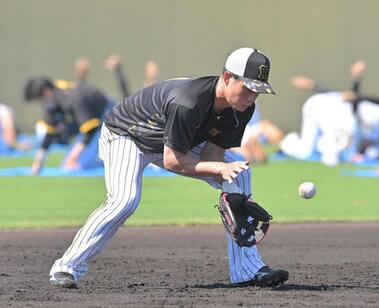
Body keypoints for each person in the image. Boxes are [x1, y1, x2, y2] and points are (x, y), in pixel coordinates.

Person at [49, 47, 289, 289]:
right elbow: (172, 161)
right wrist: (218, 169)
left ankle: (247, 270)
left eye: (258, 90)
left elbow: (212, 154)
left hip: (172, 142)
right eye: (248, 88)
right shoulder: (188, 101)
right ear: (227, 77)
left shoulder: (242, 108)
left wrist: (228, 182)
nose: (252, 96)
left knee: (241, 174)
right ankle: (66, 265)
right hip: (128, 135)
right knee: (124, 201)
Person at [24, 72, 108, 174]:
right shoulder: (55, 100)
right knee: (66, 165)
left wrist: (73, 156)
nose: (42, 104)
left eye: (40, 101)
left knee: (81, 166)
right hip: (93, 130)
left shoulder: (74, 96)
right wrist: (38, 162)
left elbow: (90, 131)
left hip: (108, 125)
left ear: (46, 92)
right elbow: (50, 133)